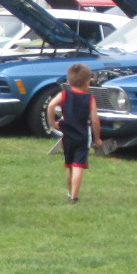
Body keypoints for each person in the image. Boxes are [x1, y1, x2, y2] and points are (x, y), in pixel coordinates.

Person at [46, 63, 103, 203]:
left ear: (69, 81)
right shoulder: (90, 99)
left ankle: (69, 192)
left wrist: (53, 123)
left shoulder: (64, 94)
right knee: (79, 165)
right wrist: (98, 138)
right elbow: (95, 120)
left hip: (67, 137)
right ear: (88, 82)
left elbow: (51, 105)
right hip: (83, 136)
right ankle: (74, 197)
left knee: (69, 165)